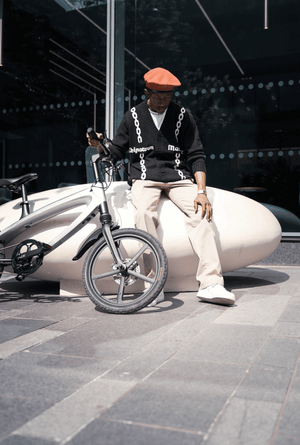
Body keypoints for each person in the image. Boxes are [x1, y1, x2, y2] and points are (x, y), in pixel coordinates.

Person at [87, 67, 235, 307]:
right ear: (147, 92)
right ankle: (153, 284)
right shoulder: (132, 116)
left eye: (168, 96)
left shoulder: (183, 116)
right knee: (144, 214)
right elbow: (114, 153)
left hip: (178, 177)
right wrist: (100, 144)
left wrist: (201, 192)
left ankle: (211, 283)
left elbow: (196, 155)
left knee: (200, 213)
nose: (164, 101)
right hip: (144, 178)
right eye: (158, 96)